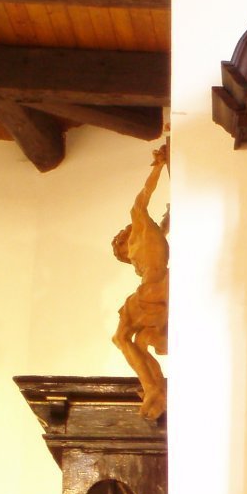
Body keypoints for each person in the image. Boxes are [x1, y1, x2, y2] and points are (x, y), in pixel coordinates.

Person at [112, 141, 169, 421]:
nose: (128, 255)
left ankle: (153, 388)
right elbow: (161, 234)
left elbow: (144, 196)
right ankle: (155, 387)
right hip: (157, 288)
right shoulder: (149, 234)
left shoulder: (141, 228)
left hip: (151, 291)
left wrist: (158, 166)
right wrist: (169, 218)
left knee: (121, 337)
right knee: (142, 340)